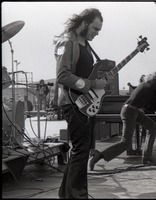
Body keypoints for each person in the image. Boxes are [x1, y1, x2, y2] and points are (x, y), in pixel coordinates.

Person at [54, 8, 107, 198]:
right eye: (95, 28)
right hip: (73, 103)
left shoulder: (85, 44)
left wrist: (97, 85)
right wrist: (92, 84)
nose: (97, 33)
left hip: (85, 104)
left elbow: (85, 74)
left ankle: (65, 193)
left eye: (99, 30)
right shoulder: (66, 42)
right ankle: (78, 195)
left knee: (81, 150)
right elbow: (63, 76)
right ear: (84, 23)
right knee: (81, 150)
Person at [89, 67, 156, 170]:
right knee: (125, 143)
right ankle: (99, 155)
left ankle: (147, 156)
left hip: (131, 110)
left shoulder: (147, 81)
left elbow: (141, 98)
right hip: (131, 112)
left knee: (153, 127)